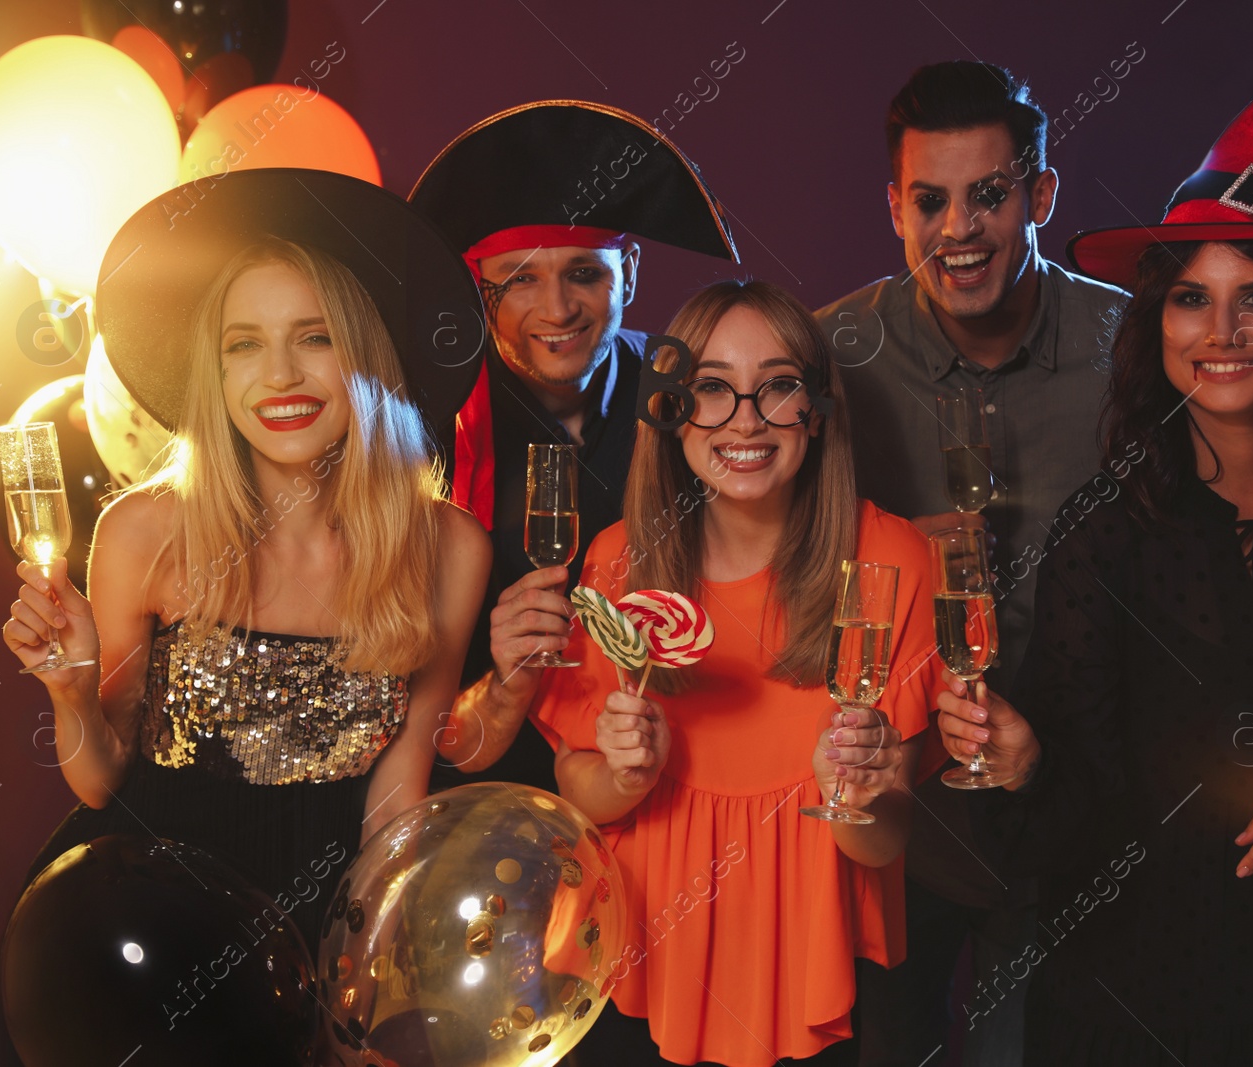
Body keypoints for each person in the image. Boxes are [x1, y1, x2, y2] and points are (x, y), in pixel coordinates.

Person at [935, 0, 1253, 1059]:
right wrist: (1026, 761)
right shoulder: (1108, 533)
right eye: (1187, 300)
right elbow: (1081, 800)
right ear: (1154, 323)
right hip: (1141, 991)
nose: (1219, 332)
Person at [0, 169, 491, 954]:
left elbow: (398, 794)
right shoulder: (143, 531)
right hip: (145, 912)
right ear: (217, 372)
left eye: (315, 336)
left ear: (365, 352)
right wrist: (70, 691)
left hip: (328, 908)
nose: (280, 375)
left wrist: (363, 960)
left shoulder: (449, 548)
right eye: (244, 345)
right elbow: (99, 780)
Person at [500, 279, 938, 1066]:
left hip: (805, 972)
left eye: (777, 386)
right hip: (634, 963)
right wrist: (630, 774)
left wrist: (855, 793)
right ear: (672, 411)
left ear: (816, 408)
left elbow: (883, 844)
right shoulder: (617, 560)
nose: (745, 419)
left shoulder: (890, 565)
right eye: (711, 389)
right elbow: (582, 792)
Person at [815, 61, 1127, 1062]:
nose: (959, 229)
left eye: (989, 195)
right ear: (893, 208)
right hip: (903, 823)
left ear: (1039, 194)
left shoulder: (1131, 348)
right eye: (930, 200)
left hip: (1092, 807)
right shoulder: (829, 356)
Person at [408, 101, 739, 792]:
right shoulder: (425, 432)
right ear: (481, 290)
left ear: (632, 272)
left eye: (585, 272)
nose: (557, 309)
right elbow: (408, 728)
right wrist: (504, 677)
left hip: (668, 774)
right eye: (522, 278)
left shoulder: (692, 400)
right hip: (482, 790)